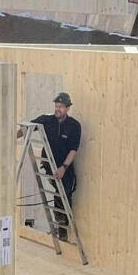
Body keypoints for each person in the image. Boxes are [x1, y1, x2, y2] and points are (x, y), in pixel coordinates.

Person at [31, 92, 82, 235]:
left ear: (67, 108)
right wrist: (11, 137)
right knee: (58, 194)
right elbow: (28, 127)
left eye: (61, 106)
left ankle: (63, 231)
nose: (57, 109)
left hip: (64, 166)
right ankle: (60, 230)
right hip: (49, 165)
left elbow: (73, 150)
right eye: (56, 106)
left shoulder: (74, 126)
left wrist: (64, 168)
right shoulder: (47, 121)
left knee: (65, 194)